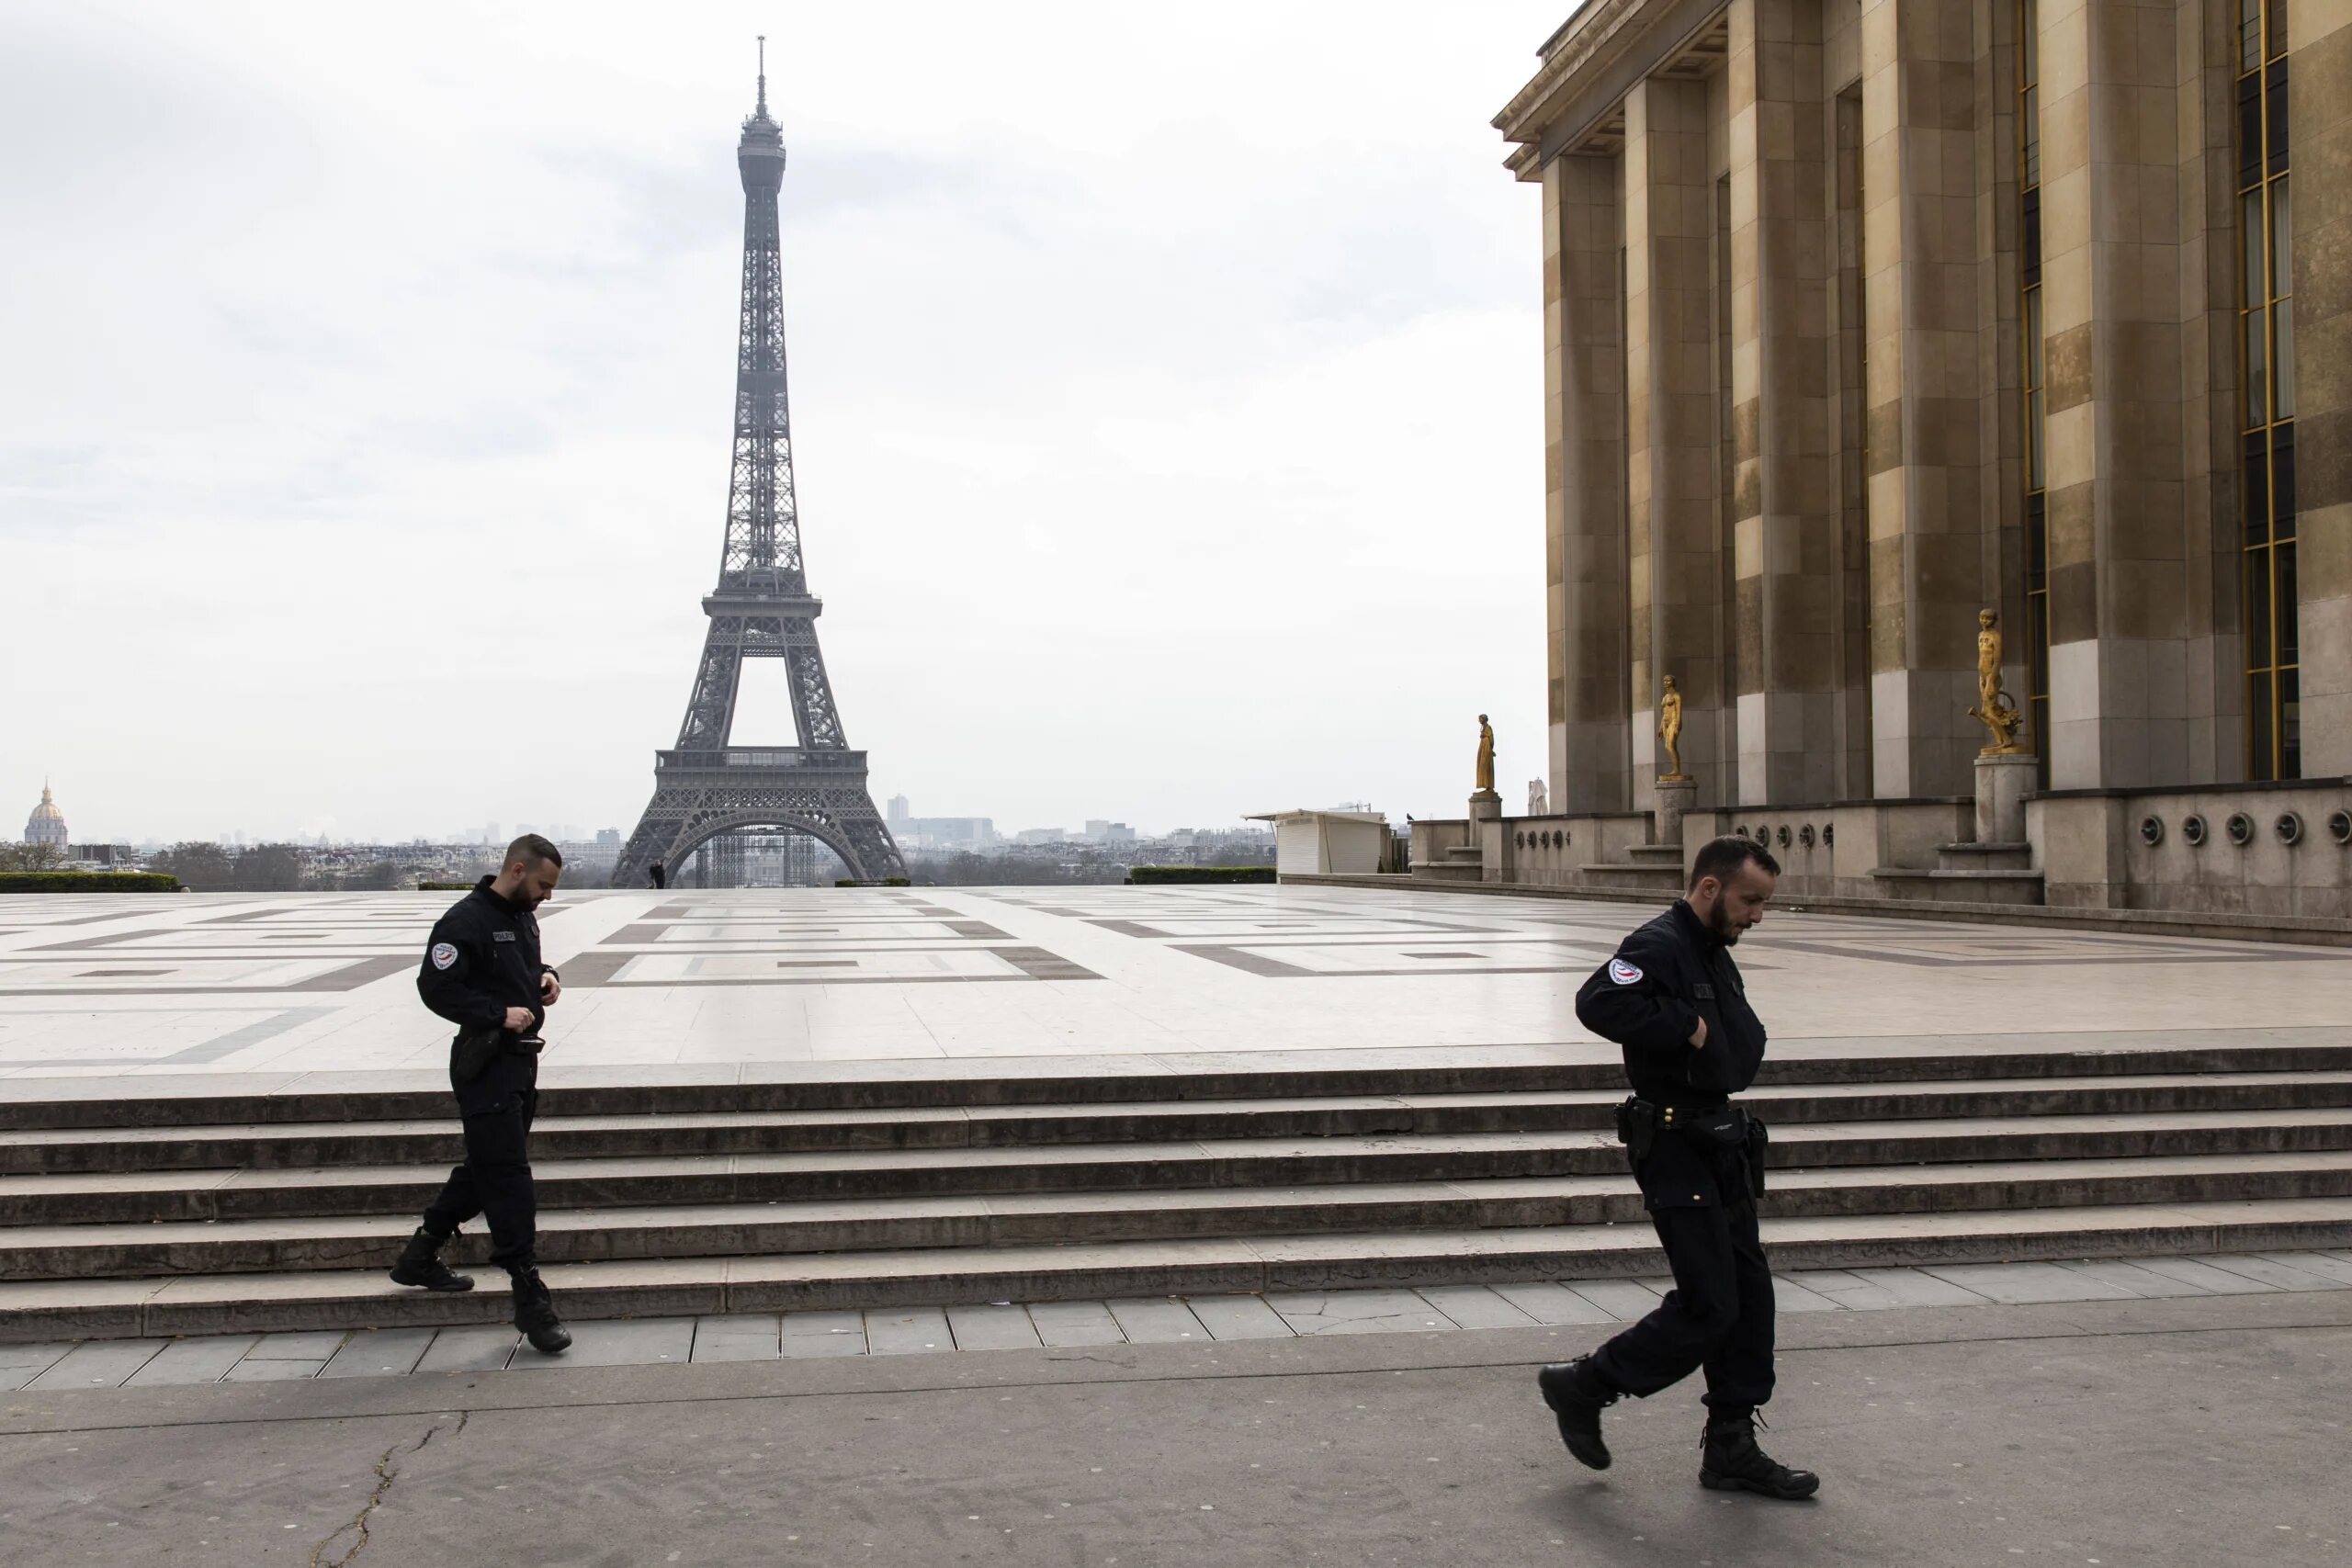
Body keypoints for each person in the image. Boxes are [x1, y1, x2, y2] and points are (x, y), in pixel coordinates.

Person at [1536, 834, 1817, 1500]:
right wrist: (1682, 1026)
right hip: (1673, 1146)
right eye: (1751, 900)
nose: (1758, 914)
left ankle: (1731, 1445)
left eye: (1765, 903)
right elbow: (1597, 1002)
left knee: (1749, 1299)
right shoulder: (1658, 944)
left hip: (1720, 1144)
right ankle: (1584, 1384)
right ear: (1712, 888)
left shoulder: (1714, 951)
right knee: (1710, 1303)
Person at [388, 833, 572, 1355]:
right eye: (543, 884)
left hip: (519, 1063)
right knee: (509, 1175)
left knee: (488, 1165)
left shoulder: (521, 915)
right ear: (517, 870)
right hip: (485, 1062)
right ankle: (529, 1294)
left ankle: (420, 1255)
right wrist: (496, 1015)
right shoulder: (462, 922)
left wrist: (547, 977)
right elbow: (436, 987)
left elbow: (521, 966)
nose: (547, 896)